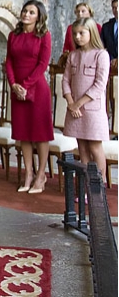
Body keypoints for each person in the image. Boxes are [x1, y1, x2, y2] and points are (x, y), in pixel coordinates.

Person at [5, 0, 54, 194]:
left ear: (38, 16)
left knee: (40, 134)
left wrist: (24, 85)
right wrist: (13, 84)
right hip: (18, 89)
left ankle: (41, 175)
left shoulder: (44, 35)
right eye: (25, 10)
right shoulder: (13, 35)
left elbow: (43, 64)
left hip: (37, 88)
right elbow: (8, 60)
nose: (26, 14)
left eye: (31, 12)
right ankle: (28, 173)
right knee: (23, 133)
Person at [63, 17, 110, 184]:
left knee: (95, 148)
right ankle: (84, 187)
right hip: (74, 110)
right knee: (82, 149)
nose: (77, 37)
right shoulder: (73, 56)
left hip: (92, 110)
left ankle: (98, 185)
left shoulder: (101, 55)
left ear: (92, 33)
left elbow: (99, 84)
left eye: (81, 33)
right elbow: (66, 81)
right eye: (74, 34)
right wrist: (70, 103)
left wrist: (78, 103)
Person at [100, 0, 117, 64]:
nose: (117, 10)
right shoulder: (106, 26)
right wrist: (111, 59)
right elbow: (101, 46)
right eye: (114, 8)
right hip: (110, 63)